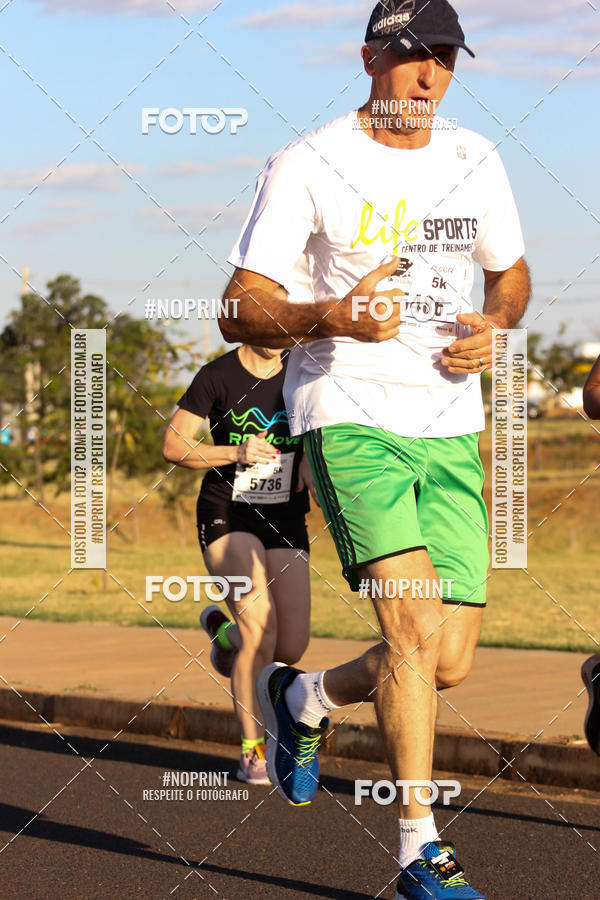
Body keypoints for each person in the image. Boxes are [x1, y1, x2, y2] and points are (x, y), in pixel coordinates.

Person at [219, 0, 531, 895]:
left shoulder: (476, 158)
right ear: (368, 58)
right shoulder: (309, 162)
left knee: (449, 660)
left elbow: (509, 272)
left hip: (450, 419)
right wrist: (329, 316)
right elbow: (239, 304)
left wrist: (497, 324)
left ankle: (305, 697)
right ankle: (419, 851)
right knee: (410, 624)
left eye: (445, 57)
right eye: (412, 55)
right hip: (349, 414)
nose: (430, 74)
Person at [162, 345, 316, 784]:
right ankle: (254, 751)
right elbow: (174, 445)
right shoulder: (218, 375)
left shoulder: (303, 368)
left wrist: (308, 457)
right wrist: (235, 452)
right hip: (228, 510)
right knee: (261, 629)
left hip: (286, 514)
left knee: (289, 647)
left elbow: (320, 427)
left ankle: (227, 637)